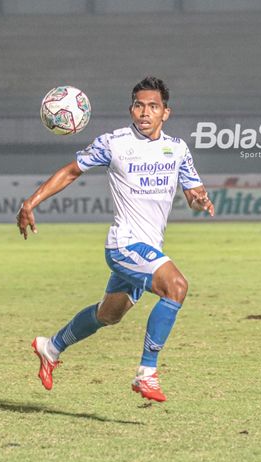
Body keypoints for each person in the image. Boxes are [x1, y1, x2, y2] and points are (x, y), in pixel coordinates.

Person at [17, 76, 215, 402]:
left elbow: (193, 191)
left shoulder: (177, 149)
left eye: (153, 106)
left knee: (108, 315)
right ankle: (147, 373)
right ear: (131, 109)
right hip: (124, 244)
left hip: (148, 249)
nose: (145, 112)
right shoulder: (114, 143)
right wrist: (31, 201)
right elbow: (70, 171)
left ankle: (50, 347)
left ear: (166, 112)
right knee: (176, 287)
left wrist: (199, 199)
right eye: (139, 105)